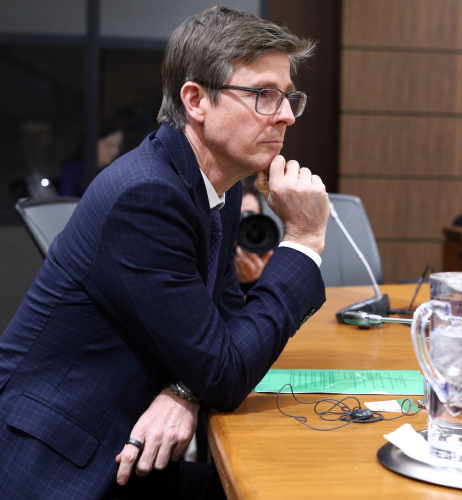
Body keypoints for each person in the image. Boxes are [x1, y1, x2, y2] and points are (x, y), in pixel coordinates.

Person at [0, 6, 329, 500]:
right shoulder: (147, 195)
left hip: (134, 447)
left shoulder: (221, 183)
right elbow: (225, 371)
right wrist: (303, 241)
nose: (284, 114)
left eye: (288, 97)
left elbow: (223, 328)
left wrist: (183, 390)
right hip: (62, 464)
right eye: (263, 95)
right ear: (196, 100)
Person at [58, 126, 124, 197]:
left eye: (118, 146)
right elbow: (66, 198)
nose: (115, 152)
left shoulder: (113, 172)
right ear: (92, 144)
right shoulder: (73, 168)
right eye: (109, 145)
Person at [235, 177, 274, 294]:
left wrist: (253, 283)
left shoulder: (267, 246)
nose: (244, 228)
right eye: (238, 219)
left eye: (250, 220)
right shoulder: (212, 252)